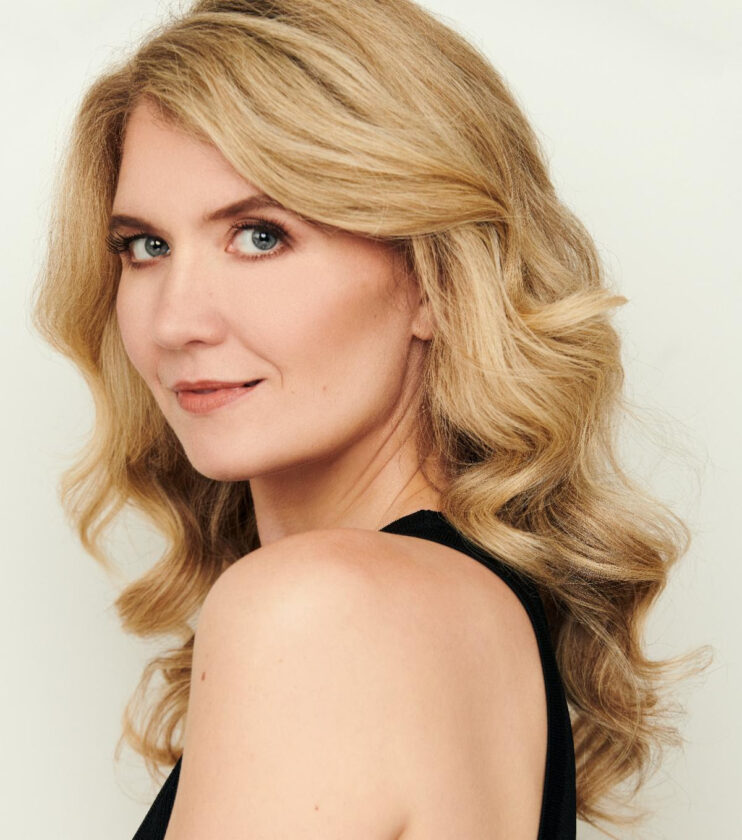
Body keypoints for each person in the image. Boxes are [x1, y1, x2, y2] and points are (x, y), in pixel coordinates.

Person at [31, 1, 709, 838]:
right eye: (146, 246)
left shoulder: (322, 612)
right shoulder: (470, 614)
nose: (175, 322)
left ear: (433, 279)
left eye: (259, 236)